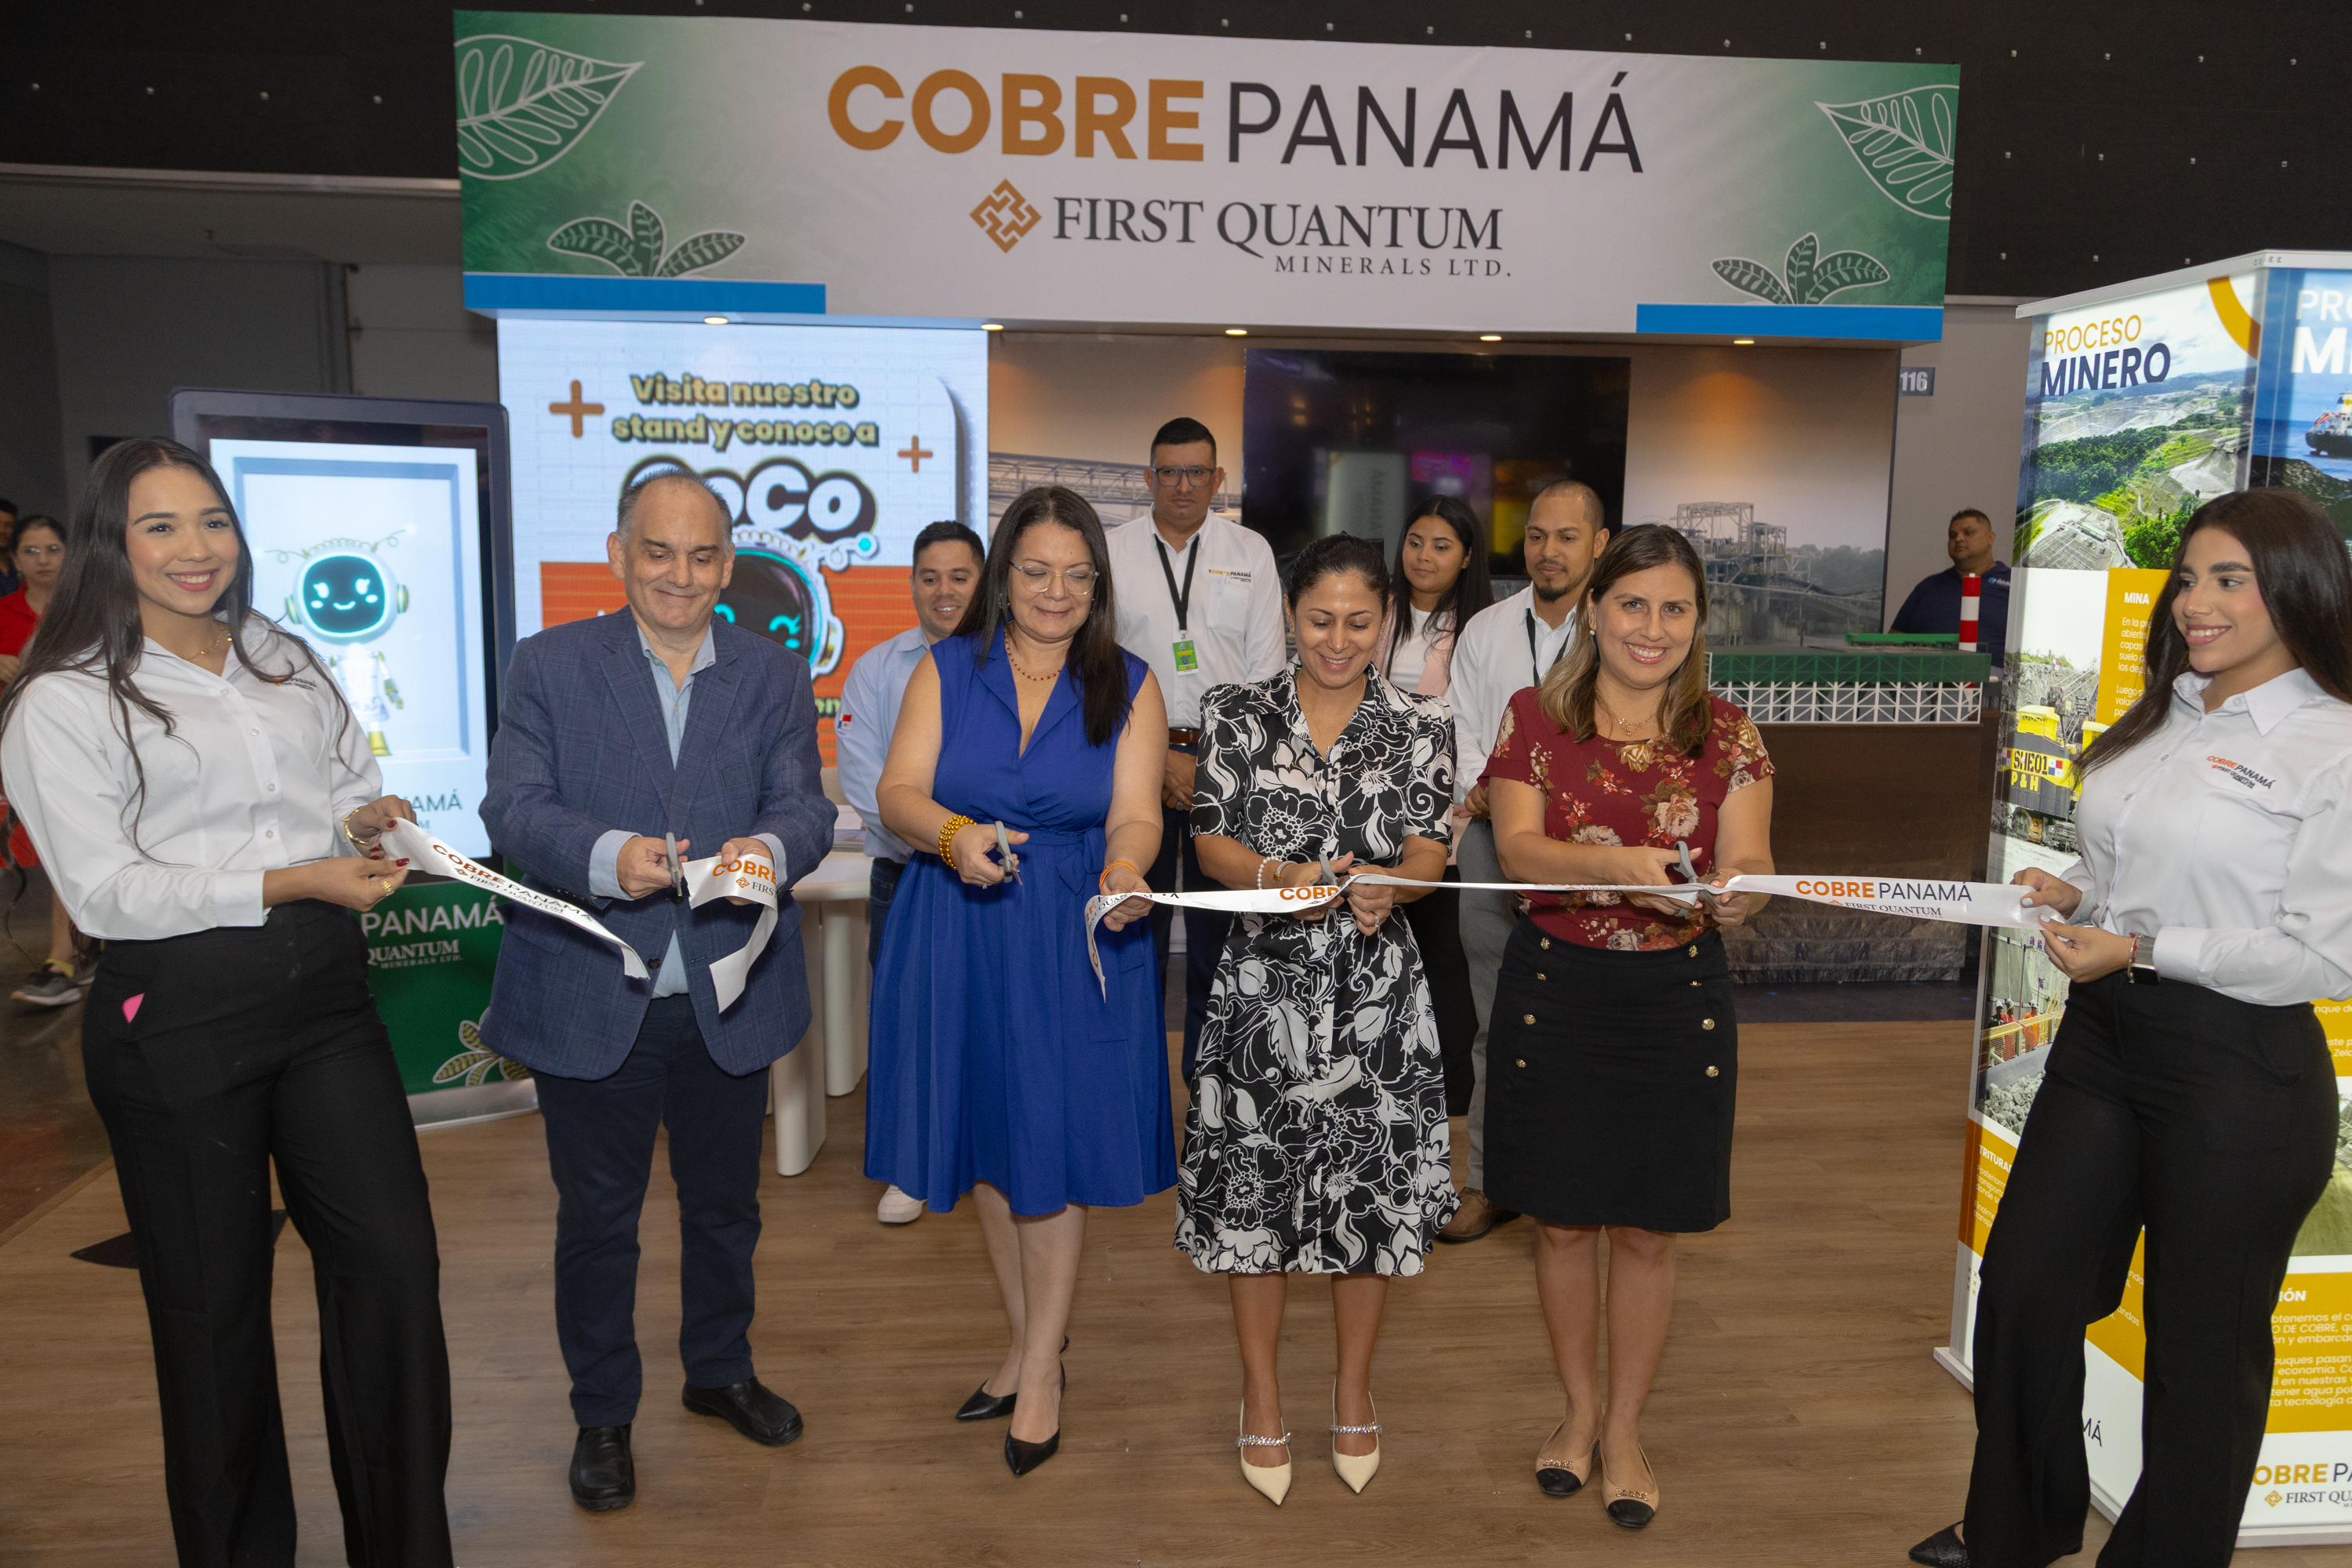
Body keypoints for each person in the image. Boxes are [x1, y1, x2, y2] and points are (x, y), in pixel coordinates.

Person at [0, 440, 452, 1566]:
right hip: (178, 1021)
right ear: (112, 542)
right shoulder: (61, 700)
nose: (196, 549)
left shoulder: (278, 652)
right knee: (213, 1325)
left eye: (212, 521)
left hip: (325, 1002)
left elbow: (347, 783)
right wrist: (295, 878)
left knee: (393, 1272)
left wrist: (366, 817)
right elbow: (104, 890)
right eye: (160, 527)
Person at [1911, 489, 2352, 1568]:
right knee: (2025, 1288)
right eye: (2189, 579)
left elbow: (2325, 954)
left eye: (2229, 580)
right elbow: (2130, 869)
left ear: (2298, 591)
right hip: (2106, 1042)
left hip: (2241, 1071)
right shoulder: (2170, 710)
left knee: (2204, 1357)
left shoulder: (2331, 744)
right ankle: (2017, 1528)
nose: (2195, 604)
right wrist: (2071, 889)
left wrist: (2145, 949)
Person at [478, 469, 835, 1512]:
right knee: (599, 1220)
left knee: (727, 1209)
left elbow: (804, 808)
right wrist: (604, 854)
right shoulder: (549, 664)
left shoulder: (771, 673)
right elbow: (514, 810)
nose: (679, 575)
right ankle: (603, 1413)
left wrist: (769, 849)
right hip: (592, 994)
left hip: (731, 992)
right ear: (619, 554)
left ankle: (718, 1369)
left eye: (701, 555)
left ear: (727, 565)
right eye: (657, 551)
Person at [868, 484, 1169, 1476]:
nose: (1055, 591)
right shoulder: (946, 668)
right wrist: (954, 836)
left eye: (1076, 574)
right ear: (1005, 575)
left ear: (1098, 582)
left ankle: (1040, 1365)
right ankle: (1025, 1339)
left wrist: (1128, 868)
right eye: (1036, 570)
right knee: (994, 1140)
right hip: (959, 920)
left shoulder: (1127, 680)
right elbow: (899, 792)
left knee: (1056, 1142)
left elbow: (1135, 815)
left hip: (1074, 929)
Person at [1483, 522, 1775, 1528]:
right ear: (1597, 610)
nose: (1653, 628)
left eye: (1675, 608)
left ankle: (1624, 1429)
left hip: (1674, 996)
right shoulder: (1534, 717)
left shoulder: (1729, 732)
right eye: (1634, 604)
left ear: (1699, 622)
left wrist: (1738, 899)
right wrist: (1616, 865)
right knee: (1561, 1219)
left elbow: (1747, 863)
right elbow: (1518, 849)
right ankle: (1575, 1410)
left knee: (1649, 1231)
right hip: (1555, 989)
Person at [1176, 532, 1458, 1506]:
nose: (1338, 640)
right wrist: (1275, 877)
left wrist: (1393, 886)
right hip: (1261, 992)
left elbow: (1428, 852)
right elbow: (1209, 839)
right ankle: (1261, 1395)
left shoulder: (1422, 722)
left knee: (1367, 1200)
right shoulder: (1234, 713)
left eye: (1359, 620)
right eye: (1319, 619)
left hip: (1378, 1000)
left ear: (1386, 622)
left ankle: (1352, 1387)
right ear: (1289, 616)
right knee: (1256, 1202)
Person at [1438, 479, 1610, 1242]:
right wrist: (1499, 792)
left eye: (1567, 536)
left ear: (1599, 544)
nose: (1548, 550)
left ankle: (1578, 1184)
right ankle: (1488, 1181)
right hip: (1491, 838)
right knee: (1495, 1016)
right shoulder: (1485, 628)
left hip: (1591, 851)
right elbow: (1464, 728)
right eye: (1538, 535)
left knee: (1590, 1020)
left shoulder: (1621, 626)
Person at [1106, 417, 1287, 1079]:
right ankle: (1131, 1084)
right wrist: (1156, 761)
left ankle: (1211, 1094)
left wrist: (1213, 766)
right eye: (1168, 472)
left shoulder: (1250, 552)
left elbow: (1268, 676)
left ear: (1218, 479)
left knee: (1218, 940)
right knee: (1135, 930)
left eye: (1196, 473)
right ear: (1148, 477)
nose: (1182, 486)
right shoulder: (1113, 551)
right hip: (1133, 767)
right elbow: (1098, 670)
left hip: (1228, 771)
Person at [837, 517, 985, 1225]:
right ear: (912, 585)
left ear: (984, 582)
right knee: (905, 1026)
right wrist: (951, 837)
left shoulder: (1011, 665)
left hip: (1001, 881)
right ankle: (908, 1169)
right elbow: (870, 787)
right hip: (906, 878)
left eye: (960, 576)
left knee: (987, 1023)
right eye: (930, 577)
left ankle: (982, 1154)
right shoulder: (875, 670)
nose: (945, 590)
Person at [1381, 495, 1493, 1111]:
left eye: (1442, 545)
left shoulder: (1482, 628)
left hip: (1448, 815)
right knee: (1385, 953)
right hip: (1374, 816)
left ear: (1467, 557)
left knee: (1446, 962)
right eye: (1416, 541)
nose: (1424, 556)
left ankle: (1449, 1092)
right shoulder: (1379, 614)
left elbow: (1473, 725)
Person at [0, 514, 92, 1004]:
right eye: (31, 551)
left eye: (53, 549)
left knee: (67, 842)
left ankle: (63, 958)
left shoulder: (92, 612)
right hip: (13, 751)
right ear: (14, 560)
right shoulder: (3, 614)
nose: (43, 560)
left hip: (80, 748)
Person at [1891, 507, 2012, 664]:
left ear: (1990, 538)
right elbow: (1893, 643)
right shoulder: (1928, 587)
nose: (1959, 539)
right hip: (1925, 682)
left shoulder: (2017, 585)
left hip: (1994, 682)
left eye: (1968, 533)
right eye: (1952, 536)